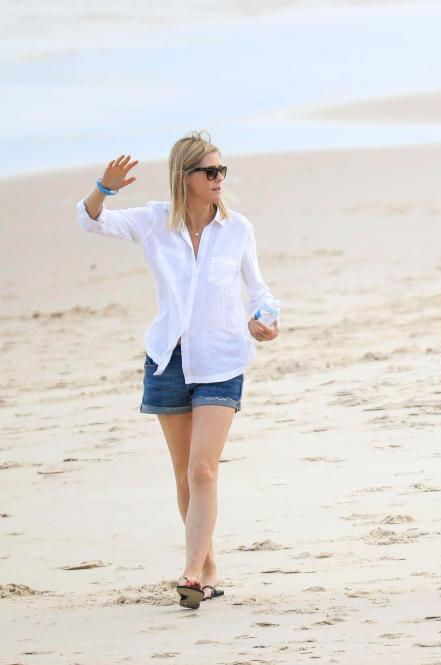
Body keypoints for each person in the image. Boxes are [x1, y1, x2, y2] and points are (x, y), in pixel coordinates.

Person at [75, 132, 280, 609]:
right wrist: (103, 188)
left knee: (203, 469)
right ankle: (207, 567)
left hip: (222, 360)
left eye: (222, 171)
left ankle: (189, 572)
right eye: (210, 172)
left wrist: (267, 322)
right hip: (168, 360)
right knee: (184, 473)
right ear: (183, 178)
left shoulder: (237, 229)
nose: (219, 180)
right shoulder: (152, 222)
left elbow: (260, 292)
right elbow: (88, 221)